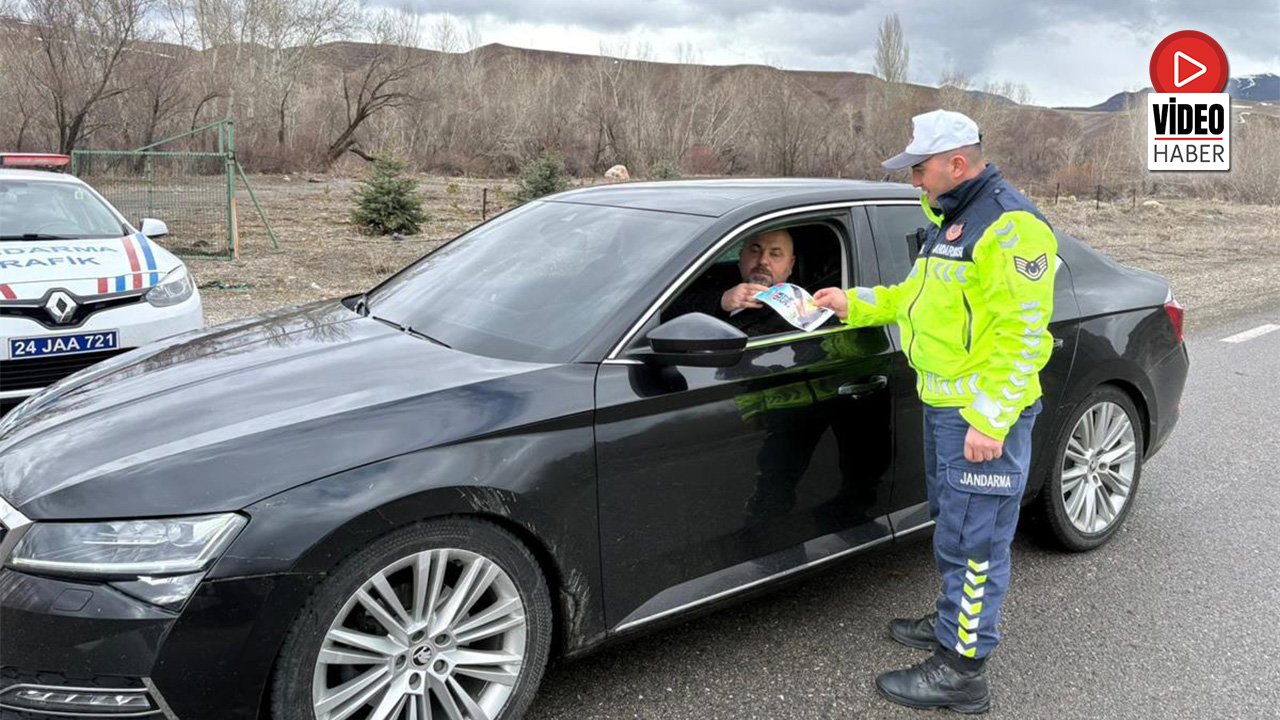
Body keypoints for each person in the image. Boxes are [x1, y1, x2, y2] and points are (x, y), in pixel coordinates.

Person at [813, 109, 1057, 714]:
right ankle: (953, 622)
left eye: (919, 168)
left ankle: (961, 671)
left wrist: (990, 420)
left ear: (956, 163)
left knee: (977, 542)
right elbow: (914, 299)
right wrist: (853, 301)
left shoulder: (1010, 229)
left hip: (978, 414)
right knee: (954, 527)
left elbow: (1023, 336)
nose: (914, 180)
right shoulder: (951, 220)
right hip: (946, 405)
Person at [664, 229, 798, 336]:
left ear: (790, 265)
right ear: (740, 256)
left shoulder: (798, 310)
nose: (763, 260)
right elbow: (663, 312)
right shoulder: (711, 279)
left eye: (775, 254)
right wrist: (720, 302)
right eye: (755, 251)